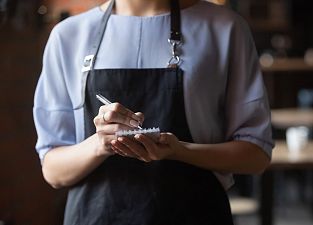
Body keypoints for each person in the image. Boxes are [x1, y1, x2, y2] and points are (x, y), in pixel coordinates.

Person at [33, 0, 274, 224]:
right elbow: (54, 171)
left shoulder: (224, 28)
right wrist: (100, 144)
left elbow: (255, 156)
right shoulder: (68, 35)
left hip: (194, 214)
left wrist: (181, 151)